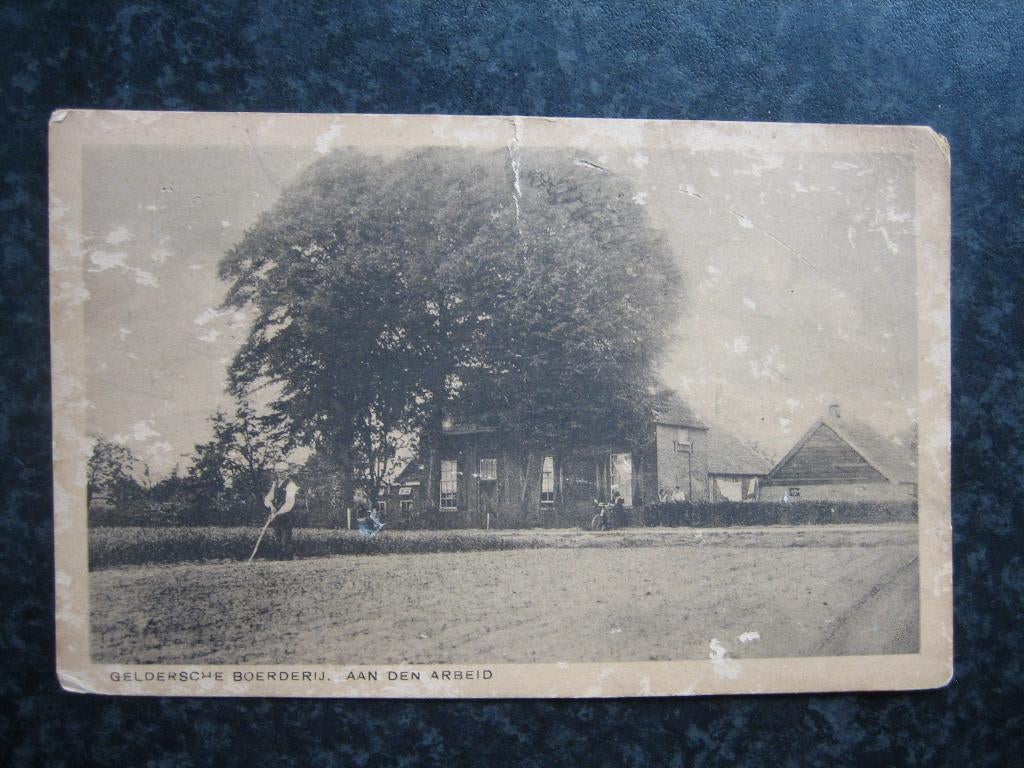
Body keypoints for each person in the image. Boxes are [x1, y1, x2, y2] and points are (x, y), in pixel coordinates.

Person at [265, 474, 299, 559]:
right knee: (277, 538)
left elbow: (289, 503)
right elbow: (268, 498)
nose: (279, 474)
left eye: (282, 472)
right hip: (277, 517)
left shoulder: (291, 485)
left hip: (287, 516)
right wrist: (271, 507)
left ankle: (289, 559)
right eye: (278, 472)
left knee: (285, 540)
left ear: (286, 473)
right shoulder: (275, 484)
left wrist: (277, 513)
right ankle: (279, 559)